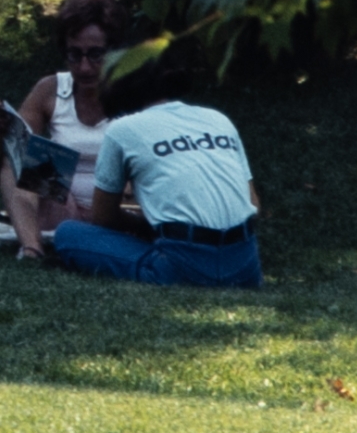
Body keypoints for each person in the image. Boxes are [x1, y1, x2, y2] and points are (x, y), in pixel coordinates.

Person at [51, 50, 262, 287]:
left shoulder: (122, 130)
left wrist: (144, 225)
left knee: (68, 234)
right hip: (246, 267)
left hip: (181, 266)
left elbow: (104, 218)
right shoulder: (218, 119)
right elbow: (253, 205)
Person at [0, 0, 130, 259]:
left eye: (96, 55)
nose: (84, 67)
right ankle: (32, 248)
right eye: (75, 55)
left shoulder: (137, 91)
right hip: (61, 207)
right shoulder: (50, 89)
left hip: (119, 209)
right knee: (20, 158)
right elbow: (3, 163)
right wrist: (0, 133)